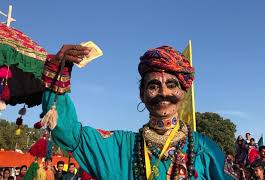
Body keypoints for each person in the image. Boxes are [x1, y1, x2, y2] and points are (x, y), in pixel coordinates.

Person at [40, 45, 233, 179]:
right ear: (142, 95)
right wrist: (58, 74)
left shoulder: (205, 150)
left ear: (183, 93)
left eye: (171, 85)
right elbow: (66, 132)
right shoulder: (119, 147)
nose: (163, 92)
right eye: (153, 85)